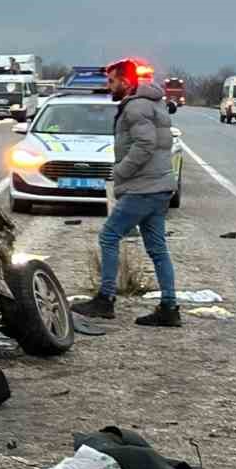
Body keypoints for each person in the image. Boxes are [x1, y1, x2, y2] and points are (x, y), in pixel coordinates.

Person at [72, 59, 180, 327]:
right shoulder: (153, 102)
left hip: (143, 187)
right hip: (160, 186)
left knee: (109, 236)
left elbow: (145, 144)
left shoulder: (136, 107)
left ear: (125, 81)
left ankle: (105, 300)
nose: (109, 86)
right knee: (157, 248)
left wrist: (121, 171)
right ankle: (169, 306)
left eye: (112, 81)